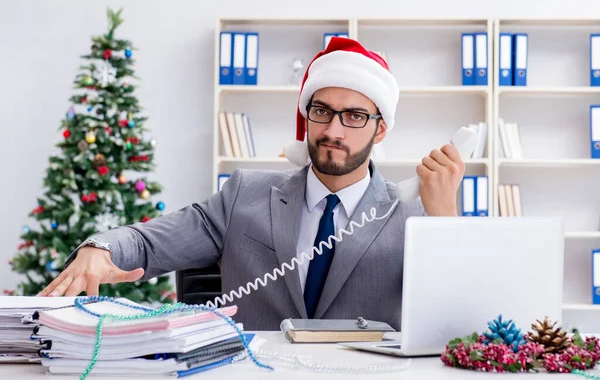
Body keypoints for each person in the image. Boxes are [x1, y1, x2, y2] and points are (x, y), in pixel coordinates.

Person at [37, 37, 465, 331]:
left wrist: (444, 220)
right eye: (322, 111)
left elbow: (454, 318)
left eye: (354, 116)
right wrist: (101, 248)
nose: (334, 129)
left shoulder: (414, 210)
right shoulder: (245, 193)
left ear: (381, 130)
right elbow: (150, 243)